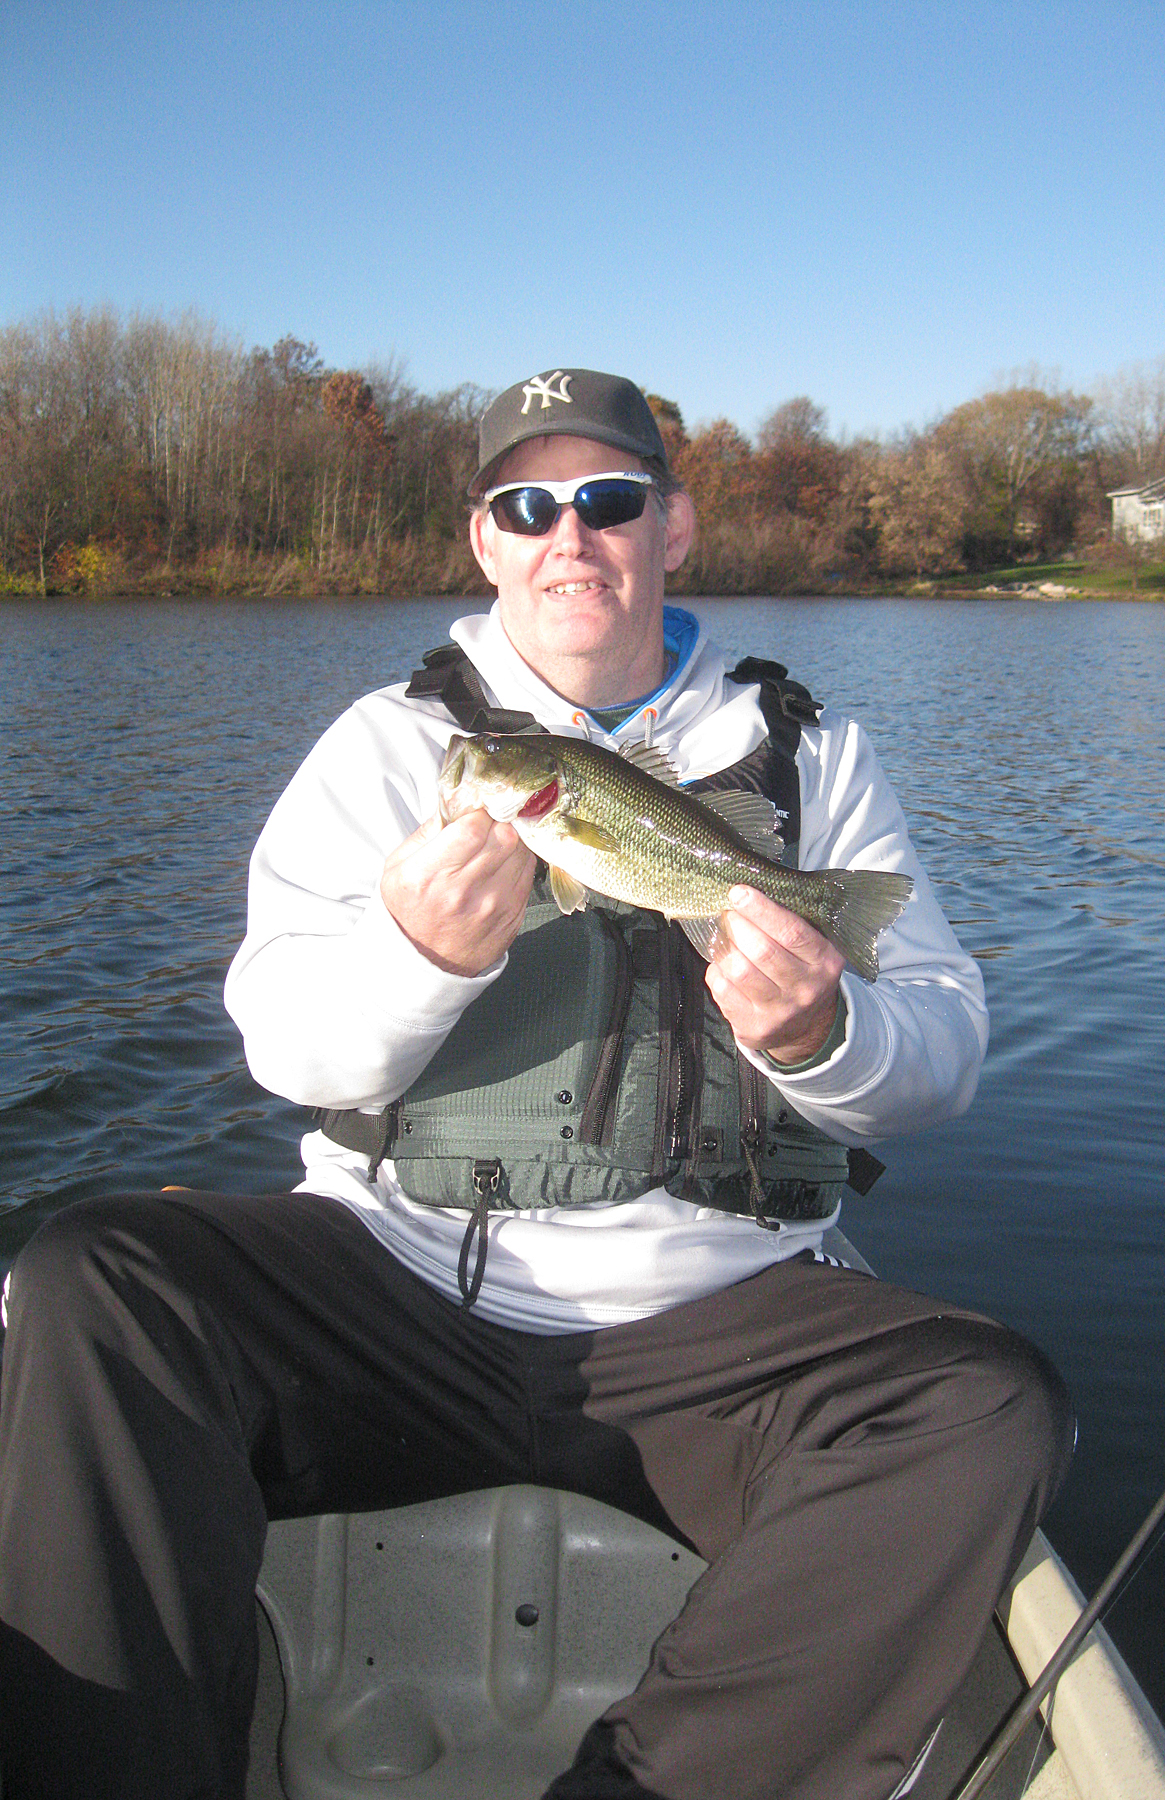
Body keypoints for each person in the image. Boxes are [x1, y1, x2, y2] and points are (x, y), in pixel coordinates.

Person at [0, 369, 1073, 1800]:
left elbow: (941, 1056)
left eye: (609, 500)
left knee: (984, 1402)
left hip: (716, 1337)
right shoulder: (392, 749)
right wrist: (418, 958)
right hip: (393, 1299)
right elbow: (283, 1049)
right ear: (485, 542)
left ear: (671, 529)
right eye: (526, 506)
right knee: (97, 1280)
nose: (570, 535)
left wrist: (823, 1034)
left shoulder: (814, 756)